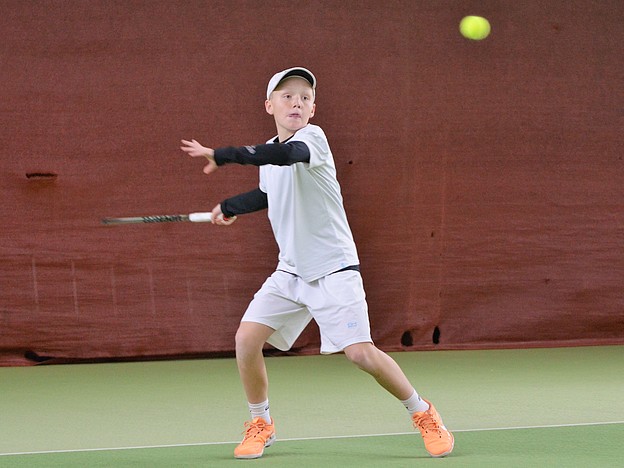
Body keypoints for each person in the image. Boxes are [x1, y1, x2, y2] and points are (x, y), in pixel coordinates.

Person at [180, 67, 454, 460]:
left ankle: (423, 412)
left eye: (305, 97)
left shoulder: (312, 139)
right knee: (246, 340)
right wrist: (230, 206)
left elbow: (286, 155)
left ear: (312, 109)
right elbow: (268, 192)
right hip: (290, 271)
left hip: (334, 269)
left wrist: (222, 155)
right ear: (269, 105)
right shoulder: (268, 155)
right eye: (287, 95)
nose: (297, 102)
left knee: (361, 354)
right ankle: (261, 422)